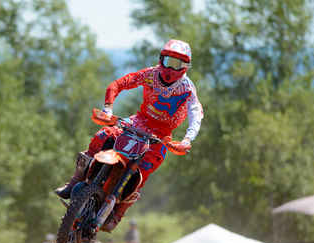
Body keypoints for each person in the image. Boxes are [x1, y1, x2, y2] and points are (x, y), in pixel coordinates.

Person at [55, 39, 203, 231]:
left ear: (186, 66)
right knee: (103, 135)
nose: (171, 69)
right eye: (168, 61)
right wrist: (108, 109)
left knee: (145, 168)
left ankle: (117, 213)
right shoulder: (150, 74)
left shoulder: (188, 89)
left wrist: (186, 140)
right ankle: (75, 180)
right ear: (161, 59)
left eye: (178, 64)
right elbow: (119, 83)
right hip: (138, 121)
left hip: (162, 135)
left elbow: (196, 114)